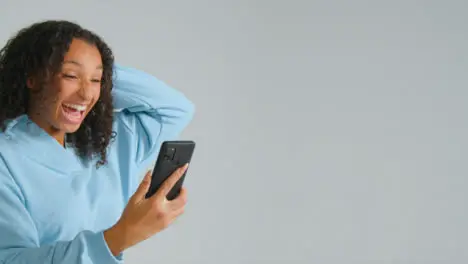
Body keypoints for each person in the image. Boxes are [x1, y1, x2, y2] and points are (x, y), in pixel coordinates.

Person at [0, 20, 195, 263]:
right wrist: (119, 237)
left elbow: (175, 109)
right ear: (33, 77)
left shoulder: (108, 142)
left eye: (96, 80)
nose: (86, 94)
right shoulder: (6, 157)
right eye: (70, 75)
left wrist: (94, 69)